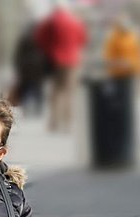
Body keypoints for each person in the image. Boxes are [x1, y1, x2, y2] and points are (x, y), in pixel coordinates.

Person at [35, 3, 88, 132]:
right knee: (69, 92)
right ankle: (68, 122)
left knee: (56, 91)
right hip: (73, 60)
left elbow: (39, 38)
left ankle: (54, 122)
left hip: (55, 59)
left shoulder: (50, 21)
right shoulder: (75, 21)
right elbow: (83, 39)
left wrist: (48, 50)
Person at [102, 15, 140, 165]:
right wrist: (119, 64)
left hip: (131, 78)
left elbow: (139, 56)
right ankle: (121, 148)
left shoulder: (133, 37)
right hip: (119, 79)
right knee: (120, 114)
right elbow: (108, 59)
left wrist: (138, 74)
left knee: (129, 114)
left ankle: (129, 146)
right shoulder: (113, 38)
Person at [12, 23, 48, 116]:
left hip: (26, 69)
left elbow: (18, 55)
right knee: (37, 89)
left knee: (26, 89)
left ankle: (26, 109)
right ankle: (38, 109)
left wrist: (18, 68)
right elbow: (45, 54)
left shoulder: (24, 40)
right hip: (37, 68)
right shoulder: (41, 39)